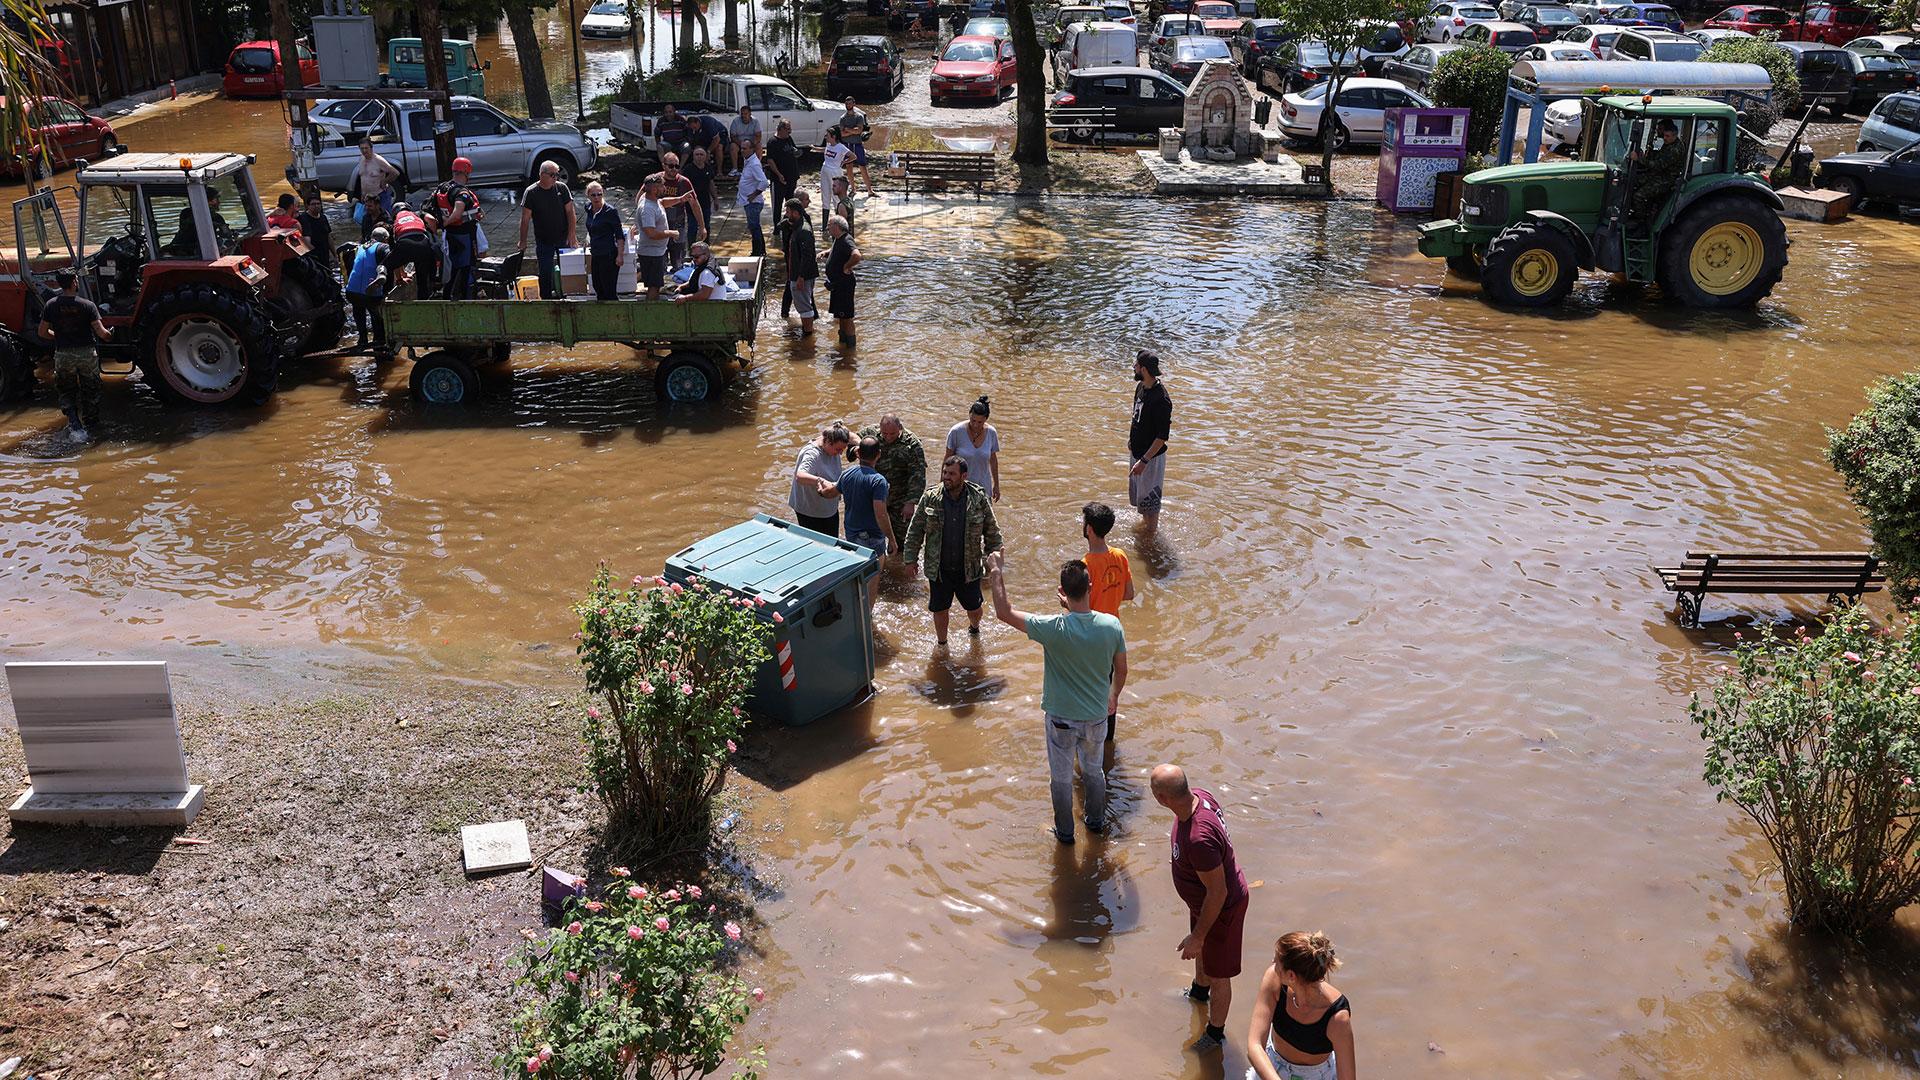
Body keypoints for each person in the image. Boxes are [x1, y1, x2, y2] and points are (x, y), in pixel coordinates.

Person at [988, 553, 1126, 844]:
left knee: (1062, 780)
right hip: (1096, 715)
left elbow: (1003, 611)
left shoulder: (1052, 628)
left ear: (1062, 592)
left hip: (1061, 720)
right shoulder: (1111, 626)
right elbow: (1122, 670)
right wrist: (1113, 695)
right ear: (1091, 587)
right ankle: (1096, 823)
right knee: (1094, 772)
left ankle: (1065, 834)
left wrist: (996, 570)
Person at [1151, 764, 1250, 1053]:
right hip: (1203, 902)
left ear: (1161, 799)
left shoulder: (1199, 840)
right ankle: (1198, 993)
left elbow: (1218, 893)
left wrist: (1199, 935)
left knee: (1220, 973)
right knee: (1202, 951)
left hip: (1221, 908)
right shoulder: (1200, 796)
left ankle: (1214, 1034)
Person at [901, 455, 1003, 645]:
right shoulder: (931, 498)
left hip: (969, 567)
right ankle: (942, 644)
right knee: (940, 609)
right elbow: (915, 531)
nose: (946, 477)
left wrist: (995, 558)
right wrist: (910, 560)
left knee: (974, 609)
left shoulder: (978, 498)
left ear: (964, 476)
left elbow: (992, 531)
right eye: (945, 473)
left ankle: (974, 628)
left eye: (952, 474)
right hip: (939, 568)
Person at [1245, 932, 1354, 1080]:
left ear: (1291, 976)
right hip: (1271, 1064)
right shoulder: (1274, 979)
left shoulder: (1337, 1017)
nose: (1272, 963)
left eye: (1277, 961)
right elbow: (1255, 1045)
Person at [1082, 501, 1135, 740]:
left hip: (1092, 635)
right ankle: (1108, 740)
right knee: (1111, 689)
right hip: (1114, 632)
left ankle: (1090, 738)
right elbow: (1129, 593)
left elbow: (1080, 607)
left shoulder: (1085, 565)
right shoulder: (1120, 556)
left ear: (1090, 529)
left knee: (1089, 688)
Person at [38, 268, 110, 442]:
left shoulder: (51, 305)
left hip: (63, 354)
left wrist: (58, 336)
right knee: (90, 390)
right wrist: (112, 334)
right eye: (76, 280)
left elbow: (42, 332)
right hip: (86, 353)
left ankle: (75, 425)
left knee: (66, 391)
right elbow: (102, 333)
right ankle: (92, 427)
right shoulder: (87, 305)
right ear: (73, 283)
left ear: (59, 284)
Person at [840, 437, 897, 606]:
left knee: (857, 577)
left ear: (858, 453)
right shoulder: (878, 481)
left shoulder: (847, 474)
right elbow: (881, 514)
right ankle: (868, 617)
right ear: (878, 455)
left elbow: (831, 491)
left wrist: (820, 487)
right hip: (872, 537)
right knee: (872, 581)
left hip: (852, 535)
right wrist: (892, 539)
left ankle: (854, 610)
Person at [857, 414, 927, 542]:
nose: (888, 437)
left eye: (893, 434)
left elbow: (918, 475)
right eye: (885, 433)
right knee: (871, 537)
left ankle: (896, 560)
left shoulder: (912, 444)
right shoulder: (870, 433)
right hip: (874, 495)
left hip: (899, 498)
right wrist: (855, 448)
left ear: (900, 428)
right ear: (880, 428)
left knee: (902, 539)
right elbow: (852, 438)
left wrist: (910, 502)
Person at [518, 159, 578, 298]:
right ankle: (546, 299)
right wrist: (523, 241)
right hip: (544, 239)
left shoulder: (562, 188)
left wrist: (572, 234)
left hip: (563, 237)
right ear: (542, 175)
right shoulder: (531, 192)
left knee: (568, 269)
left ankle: (568, 295)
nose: (555, 178)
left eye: (557, 175)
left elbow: (570, 212)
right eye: (552, 175)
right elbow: (525, 219)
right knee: (545, 272)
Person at [1130, 349, 1172, 528]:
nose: (1134, 367)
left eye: (1137, 365)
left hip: (1150, 459)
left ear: (1144, 370)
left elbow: (1162, 437)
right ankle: (1145, 531)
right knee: (1141, 503)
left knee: (1151, 507)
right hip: (1137, 453)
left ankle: (1150, 542)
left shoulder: (1161, 399)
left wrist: (1144, 461)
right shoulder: (1140, 387)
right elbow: (1136, 417)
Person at [790, 425, 852, 536]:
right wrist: (821, 481)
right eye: (838, 449)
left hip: (829, 508)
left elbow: (844, 430)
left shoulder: (832, 440)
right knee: (816, 544)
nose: (841, 453)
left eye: (843, 449)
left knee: (832, 541)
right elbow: (800, 476)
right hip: (810, 511)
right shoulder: (812, 454)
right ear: (828, 442)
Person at [435, 157, 482, 300]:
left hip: (450, 237)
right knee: (466, 268)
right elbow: (457, 213)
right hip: (464, 237)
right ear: (466, 172)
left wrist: (442, 225)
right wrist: (447, 222)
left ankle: (447, 295)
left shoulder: (442, 188)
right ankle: (466, 298)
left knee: (453, 267)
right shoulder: (462, 193)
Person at [1629, 117, 1688, 229]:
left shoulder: (1675, 149)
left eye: (1667, 136)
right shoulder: (1669, 143)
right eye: (1664, 135)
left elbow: (1658, 165)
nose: (1664, 138)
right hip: (1659, 174)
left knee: (1638, 196)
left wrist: (1639, 159)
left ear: (1675, 136)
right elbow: (1659, 158)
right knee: (1632, 182)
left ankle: (1641, 222)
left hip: (1666, 179)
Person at [345, 226, 393, 353]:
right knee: (376, 317)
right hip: (370, 292)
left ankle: (362, 338)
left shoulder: (359, 248)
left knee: (358, 309)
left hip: (351, 291)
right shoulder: (383, 247)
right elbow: (391, 262)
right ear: (385, 239)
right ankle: (379, 344)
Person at [631, 173, 678, 300]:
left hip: (655, 252)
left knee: (654, 283)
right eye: (662, 186)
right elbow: (650, 233)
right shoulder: (648, 208)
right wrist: (671, 233)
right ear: (654, 189)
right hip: (651, 253)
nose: (665, 189)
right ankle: (649, 310)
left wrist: (681, 199)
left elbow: (662, 202)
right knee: (654, 286)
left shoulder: (651, 199)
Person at [946, 396, 1001, 502]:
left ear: (986, 419)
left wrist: (996, 485)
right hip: (960, 487)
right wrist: (942, 484)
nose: (975, 425)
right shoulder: (956, 432)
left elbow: (993, 460)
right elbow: (947, 459)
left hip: (983, 488)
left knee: (985, 518)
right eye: (973, 420)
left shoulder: (991, 433)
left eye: (980, 422)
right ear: (969, 415)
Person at [660, 153, 706, 271]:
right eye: (671, 166)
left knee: (678, 262)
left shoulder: (684, 182)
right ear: (663, 165)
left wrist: (702, 227)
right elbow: (640, 199)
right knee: (659, 264)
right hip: (660, 227)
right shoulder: (656, 180)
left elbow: (695, 205)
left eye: (677, 166)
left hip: (678, 227)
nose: (674, 169)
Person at [387, 200, 439, 298]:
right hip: (423, 245)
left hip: (405, 245)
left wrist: (400, 278)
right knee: (423, 279)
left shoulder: (394, 224)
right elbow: (431, 219)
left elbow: (395, 256)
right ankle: (431, 289)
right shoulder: (417, 214)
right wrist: (434, 236)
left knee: (388, 265)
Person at [582, 181, 625, 301]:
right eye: (593, 195)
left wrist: (620, 256)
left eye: (599, 194)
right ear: (588, 196)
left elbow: (620, 235)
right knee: (597, 286)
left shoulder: (610, 212)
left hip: (609, 255)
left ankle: (616, 315)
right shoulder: (588, 208)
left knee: (609, 289)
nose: (597, 198)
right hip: (596, 254)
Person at [823, 214, 860, 346]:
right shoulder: (838, 239)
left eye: (829, 225)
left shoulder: (846, 240)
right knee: (841, 316)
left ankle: (850, 350)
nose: (827, 228)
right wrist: (827, 253)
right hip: (837, 285)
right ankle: (842, 345)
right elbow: (837, 249)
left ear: (837, 227)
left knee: (847, 317)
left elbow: (856, 255)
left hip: (844, 285)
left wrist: (846, 266)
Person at [783, 197, 818, 334]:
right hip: (797, 275)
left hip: (802, 276)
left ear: (796, 213)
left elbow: (807, 256)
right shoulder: (797, 227)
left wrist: (801, 277)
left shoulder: (803, 231)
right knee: (804, 305)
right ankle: (807, 331)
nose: (786, 214)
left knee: (805, 307)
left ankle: (808, 335)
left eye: (788, 211)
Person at [350, 136, 401, 216]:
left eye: (366, 148)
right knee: (367, 221)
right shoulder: (361, 159)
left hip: (380, 196)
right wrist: (362, 195)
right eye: (362, 148)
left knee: (384, 219)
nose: (364, 151)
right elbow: (363, 178)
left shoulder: (379, 160)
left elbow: (395, 173)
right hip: (367, 197)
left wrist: (385, 181)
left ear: (371, 148)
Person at [837, 97, 877, 196]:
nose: (848, 106)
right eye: (846, 104)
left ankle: (870, 190)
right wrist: (853, 130)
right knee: (849, 166)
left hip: (857, 144)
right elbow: (842, 134)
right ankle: (853, 189)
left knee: (862, 166)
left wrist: (848, 129)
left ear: (854, 104)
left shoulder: (859, 117)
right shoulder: (842, 118)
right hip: (847, 145)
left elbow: (859, 131)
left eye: (850, 104)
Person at [738, 144, 770, 257]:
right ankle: (761, 251)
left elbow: (764, 182)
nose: (742, 150)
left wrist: (754, 194)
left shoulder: (754, 164)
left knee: (754, 227)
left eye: (745, 148)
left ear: (752, 149)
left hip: (753, 203)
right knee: (755, 227)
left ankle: (757, 253)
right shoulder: (748, 161)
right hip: (749, 202)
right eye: (741, 148)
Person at [766, 119, 801, 220]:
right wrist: (779, 174)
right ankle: (777, 229)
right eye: (788, 129)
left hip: (792, 177)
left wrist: (797, 152)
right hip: (779, 180)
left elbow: (793, 150)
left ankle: (790, 226)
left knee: (792, 204)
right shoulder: (772, 142)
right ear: (780, 129)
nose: (790, 132)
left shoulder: (788, 138)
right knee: (777, 206)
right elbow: (770, 160)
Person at [819, 126, 853, 216]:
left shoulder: (841, 147)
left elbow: (853, 156)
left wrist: (844, 162)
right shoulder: (828, 145)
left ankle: (839, 219)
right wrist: (814, 148)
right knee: (825, 196)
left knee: (836, 197)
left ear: (834, 136)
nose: (826, 137)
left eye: (828, 135)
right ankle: (825, 224)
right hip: (825, 170)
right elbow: (825, 150)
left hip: (835, 172)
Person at [296, 195, 334, 265]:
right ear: (307, 206)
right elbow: (305, 241)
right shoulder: (303, 219)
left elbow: (328, 237)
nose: (316, 206)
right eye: (313, 204)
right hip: (313, 256)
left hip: (324, 253)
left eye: (318, 204)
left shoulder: (323, 217)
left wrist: (334, 254)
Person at [728, 104, 764, 174]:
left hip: (751, 143)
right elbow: (733, 136)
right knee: (732, 146)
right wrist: (742, 145)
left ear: (750, 114)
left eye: (745, 114)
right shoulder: (735, 121)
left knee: (759, 145)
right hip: (739, 143)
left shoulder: (755, 121)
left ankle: (757, 167)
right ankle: (735, 168)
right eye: (742, 114)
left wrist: (752, 144)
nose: (743, 116)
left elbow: (758, 136)